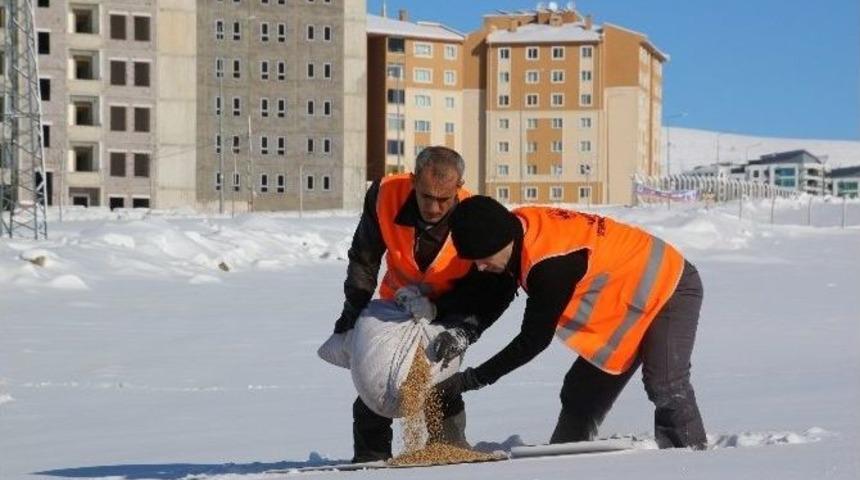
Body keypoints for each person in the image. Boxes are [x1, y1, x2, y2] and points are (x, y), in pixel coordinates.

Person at [437, 196, 708, 450]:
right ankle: (566, 463)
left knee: (665, 383)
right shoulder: (519, 230)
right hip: (628, 301)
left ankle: (689, 461)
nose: (480, 267)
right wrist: (462, 327)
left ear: (500, 241)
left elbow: (533, 340)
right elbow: (496, 295)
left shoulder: (550, 266)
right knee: (581, 391)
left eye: (482, 258)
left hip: (670, 284)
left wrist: (471, 380)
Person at [333, 148, 515, 462]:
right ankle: (370, 457)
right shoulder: (385, 195)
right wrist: (353, 313)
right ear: (414, 180)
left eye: (443, 200)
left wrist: (464, 329)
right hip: (396, 305)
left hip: (449, 307)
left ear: (459, 187)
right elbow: (364, 258)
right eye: (426, 196)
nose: (433, 207)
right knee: (379, 379)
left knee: (441, 380)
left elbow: (488, 286)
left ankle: (448, 448)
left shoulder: (474, 215)